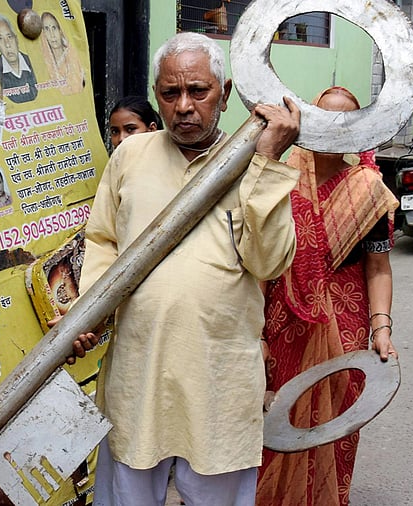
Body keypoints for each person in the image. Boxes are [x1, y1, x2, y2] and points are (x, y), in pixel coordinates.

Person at [67, 32, 302, 505]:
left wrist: (267, 163)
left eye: (199, 91)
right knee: (127, 491)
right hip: (140, 367)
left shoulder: (253, 162)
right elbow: (102, 240)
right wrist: (89, 310)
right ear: (157, 96)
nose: (184, 106)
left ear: (226, 91)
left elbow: (270, 261)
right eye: (170, 94)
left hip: (218, 373)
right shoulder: (130, 155)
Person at [256, 86, 399, 506]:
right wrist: (257, 331)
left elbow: (378, 267)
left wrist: (382, 329)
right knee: (277, 422)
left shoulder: (368, 189)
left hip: (346, 332)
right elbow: (264, 263)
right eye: (325, 117)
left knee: (336, 426)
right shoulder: (282, 181)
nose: (335, 128)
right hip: (285, 324)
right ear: (310, 121)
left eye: (346, 121)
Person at [0, 13, 38, 103]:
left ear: (16, 38)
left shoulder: (33, 61)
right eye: (0, 39)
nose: (7, 44)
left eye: (9, 37)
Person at [39, 12, 86, 95]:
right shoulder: (44, 62)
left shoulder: (73, 55)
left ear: (60, 30)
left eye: (54, 28)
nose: (52, 34)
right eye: (47, 29)